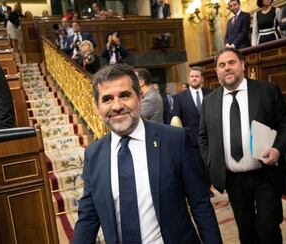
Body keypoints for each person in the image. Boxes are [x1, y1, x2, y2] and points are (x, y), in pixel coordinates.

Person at [73, 63, 222, 244]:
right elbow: (88, 217)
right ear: (97, 107)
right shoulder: (93, 155)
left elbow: (200, 205)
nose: (117, 106)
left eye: (125, 95)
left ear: (140, 98)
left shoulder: (174, 140)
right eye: (107, 99)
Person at [199, 48, 286, 244]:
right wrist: (212, 162)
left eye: (231, 62)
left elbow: (285, 124)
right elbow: (203, 137)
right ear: (216, 71)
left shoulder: (267, 90)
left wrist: (277, 149)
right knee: (246, 230)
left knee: (268, 227)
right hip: (233, 179)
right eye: (221, 65)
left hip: (265, 175)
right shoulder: (209, 102)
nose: (227, 68)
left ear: (242, 65)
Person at [172, 66, 213, 196]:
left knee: (208, 165)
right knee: (195, 167)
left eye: (197, 76)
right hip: (190, 139)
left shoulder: (210, 93)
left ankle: (208, 188)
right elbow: (175, 118)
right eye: (192, 76)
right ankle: (201, 189)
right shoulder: (179, 97)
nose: (194, 79)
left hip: (209, 138)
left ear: (202, 78)